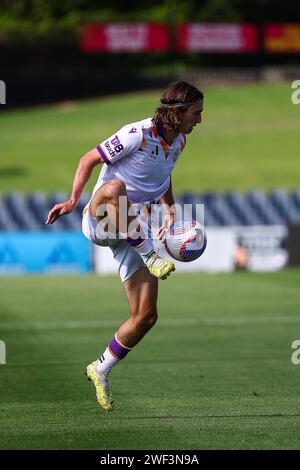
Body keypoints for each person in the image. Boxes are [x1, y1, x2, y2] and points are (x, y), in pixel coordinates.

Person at [45, 81, 204, 411]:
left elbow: (163, 175)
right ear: (177, 113)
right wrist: (74, 199)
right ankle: (147, 251)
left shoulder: (180, 142)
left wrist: (171, 210)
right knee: (115, 186)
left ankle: (100, 368)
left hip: (135, 228)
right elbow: (88, 158)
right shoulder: (137, 134)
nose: (199, 119)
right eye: (195, 113)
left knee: (146, 316)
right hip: (102, 216)